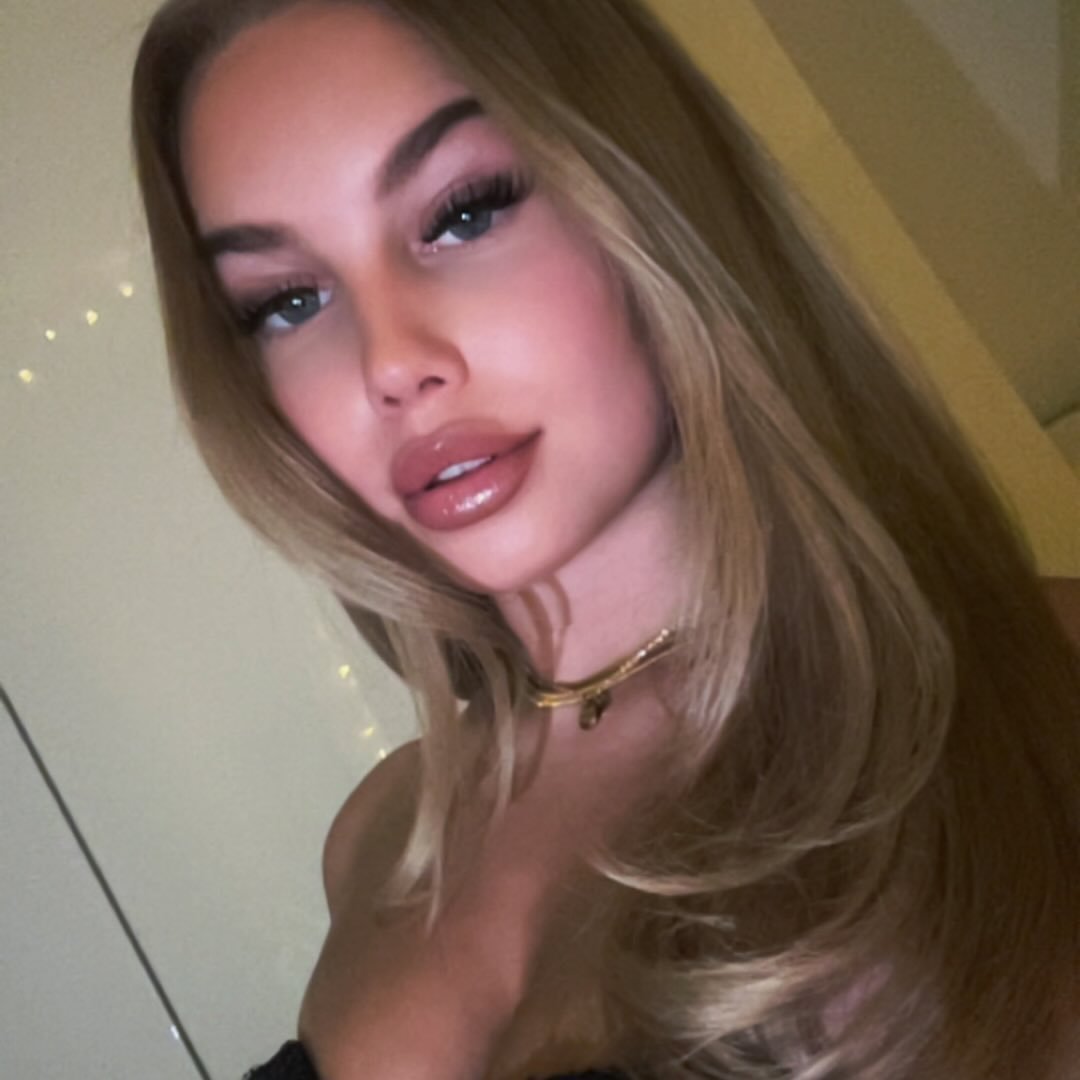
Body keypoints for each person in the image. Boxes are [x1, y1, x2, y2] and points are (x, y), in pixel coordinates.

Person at [130, 1, 1080, 1077]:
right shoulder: (379, 837)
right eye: (287, 300)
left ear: (644, 192)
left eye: (464, 214)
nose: (387, 362)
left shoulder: (1041, 684)